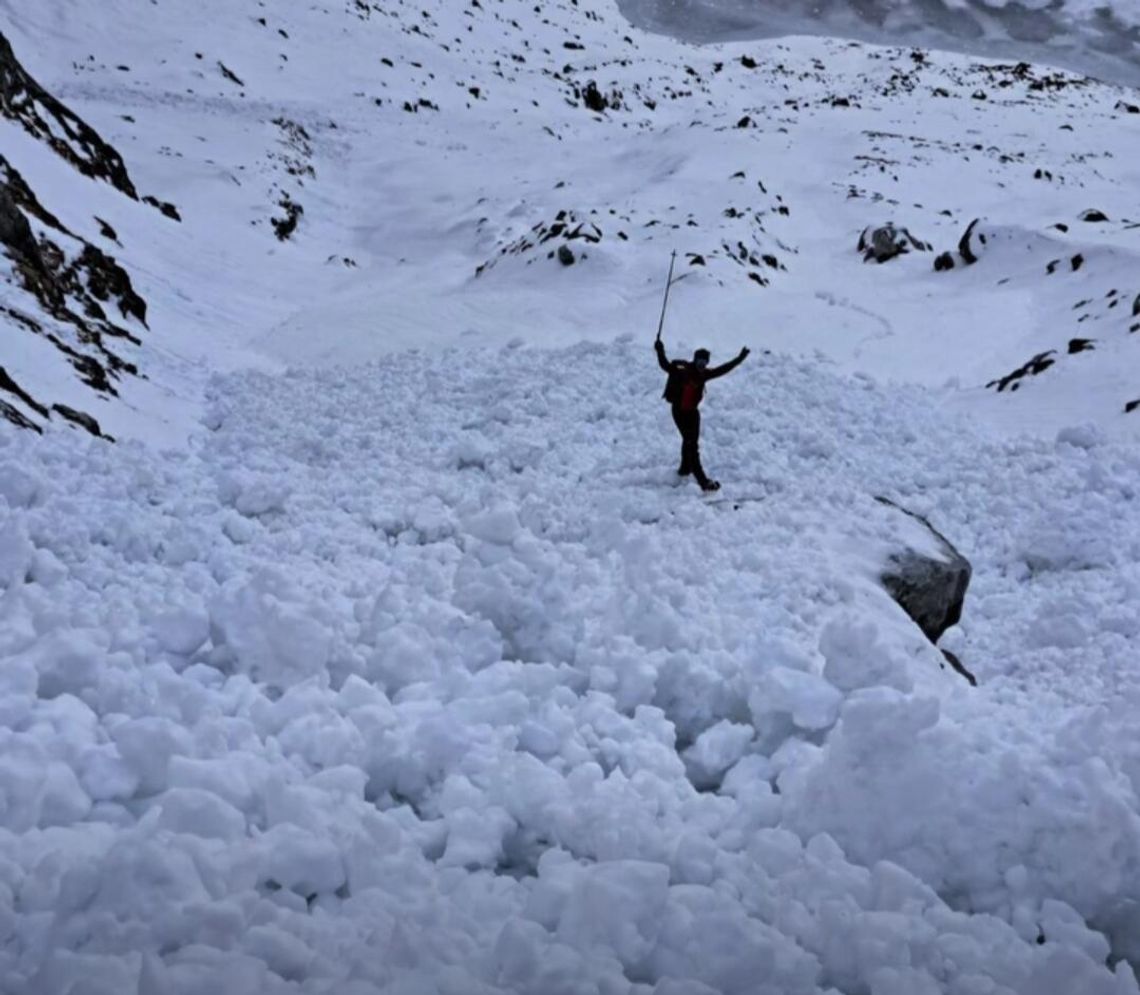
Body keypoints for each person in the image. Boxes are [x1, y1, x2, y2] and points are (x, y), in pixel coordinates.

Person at [655, 338, 749, 492]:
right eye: (699, 362)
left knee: (690, 442)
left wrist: (739, 358)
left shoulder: (704, 374)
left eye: (704, 363)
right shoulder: (683, 371)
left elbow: (723, 369)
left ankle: (685, 469)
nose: (702, 366)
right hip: (679, 412)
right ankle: (703, 482)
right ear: (695, 360)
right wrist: (660, 350)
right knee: (692, 445)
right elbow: (665, 365)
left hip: (693, 413)